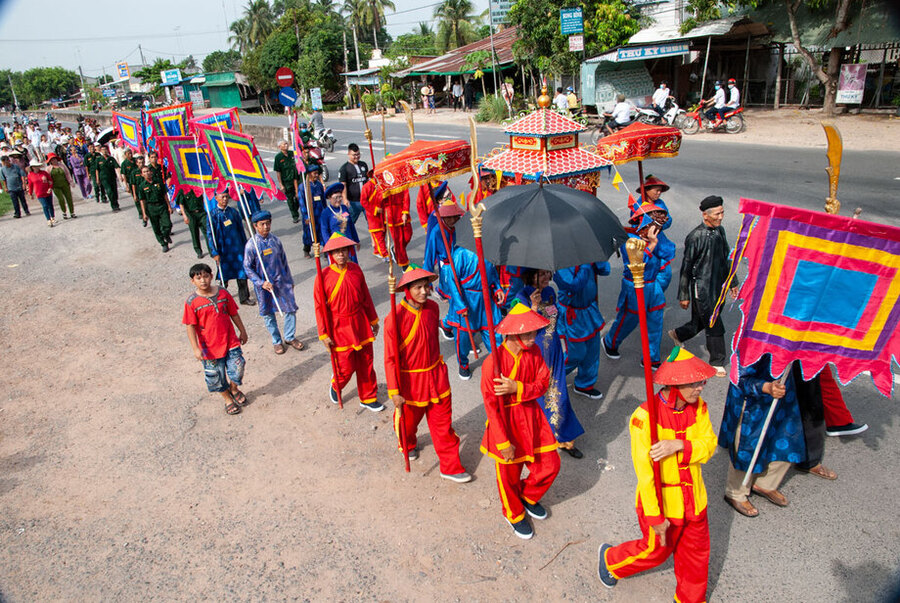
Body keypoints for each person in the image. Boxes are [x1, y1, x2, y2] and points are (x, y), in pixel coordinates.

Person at [598, 347, 718, 603]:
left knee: (696, 554)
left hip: (695, 499)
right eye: (695, 383)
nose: (700, 388)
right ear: (675, 384)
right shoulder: (644, 418)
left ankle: (689, 599)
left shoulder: (700, 408)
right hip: (664, 503)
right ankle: (611, 561)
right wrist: (654, 516)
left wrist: (680, 446)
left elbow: (709, 445)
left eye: (701, 382)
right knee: (656, 551)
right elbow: (644, 473)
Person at [480, 303, 561, 540]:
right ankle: (513, 513)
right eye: (527, 332)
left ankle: (527, 496)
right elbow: (491, 407)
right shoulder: (492, 364)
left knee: (550, 464)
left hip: (532, 416)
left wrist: (518, 387)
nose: (533, 337)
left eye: (534, 332)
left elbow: (543, 384)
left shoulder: (534, 352)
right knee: (508, 476)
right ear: (513, 333)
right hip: (506, 422)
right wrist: (503, 442)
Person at [385, 266, 471, 482]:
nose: (424, 291)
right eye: (418, 287)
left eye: (426, 286)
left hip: (436, 375)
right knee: (409, 423)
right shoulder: (394, 318)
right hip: (410, 381)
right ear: (406, 289)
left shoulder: (433, 308)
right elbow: (390, 358)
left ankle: (450, 466)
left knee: (443, 424)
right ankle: (408, 443)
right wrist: (394, 391)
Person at [719, 356, 806, 517]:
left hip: (783, 390)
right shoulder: (755, 335)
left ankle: (765, 482)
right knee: (746, 444)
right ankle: (735, 492)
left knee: (786, 438)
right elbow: (740, 378)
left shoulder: (799, 334)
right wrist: (766, 387)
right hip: (752, 398)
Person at [516, 269, 585, 458]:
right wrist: (534, 306)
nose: (548, 278)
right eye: (543, 275)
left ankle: (565, 438)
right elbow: (522, 327)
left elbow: (554, 319)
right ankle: (538, 437)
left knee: (559, 394)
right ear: (531, 276)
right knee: (537, 396)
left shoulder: (550, 292)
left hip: (553, 348)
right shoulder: (521, 296)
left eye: (548, 274)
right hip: (535, 353)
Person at [314, 233, 383, 412]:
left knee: (366, 361)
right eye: (336, 251)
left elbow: (366, 297)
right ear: (331, 254)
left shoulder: (356, 269)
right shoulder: (323, 276)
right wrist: (323, 334)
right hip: (339, 326)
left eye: (343, 250)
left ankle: (368, 397)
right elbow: (320, 307)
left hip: (360, 321)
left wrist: (373, 320)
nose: (341, 254)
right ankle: (337, 384)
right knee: (346, 365)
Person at [670, 195, 738, 376]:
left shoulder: (720, 231)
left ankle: (678, 334)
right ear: (705, 215)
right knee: (713, 321)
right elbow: (686, 267)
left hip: (718, 285)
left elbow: (727, 258)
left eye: (722, 213)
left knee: (700, 321)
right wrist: (683, 294)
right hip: (701, 288)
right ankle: (717, 361)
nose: (721, 217)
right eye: (717, 214)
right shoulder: (695, 236)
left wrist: (733, 281)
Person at [182, 263, 250, 416]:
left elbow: (234, 313)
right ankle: (227, 399)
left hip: (230, 341)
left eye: (206, 276)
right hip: (209, 348)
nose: (203, 281)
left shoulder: (223, 293)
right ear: (192, 281)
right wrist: (195, 348)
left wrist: (243, 331)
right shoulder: (192, 302)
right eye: (198, 278)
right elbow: (190, 326)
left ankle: (234, 388)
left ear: (212, 276)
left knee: (238, 368)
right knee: (215, 376)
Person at [243, 210, 304, 355]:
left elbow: (284, 261)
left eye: (268, 223)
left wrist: (289, 279)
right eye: (262, 224)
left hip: (281, 282)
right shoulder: (252, 245)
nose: (265, 227)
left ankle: (289, 336)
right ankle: (276, 341)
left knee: (290, 308)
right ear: (255, 226)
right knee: (268, 313)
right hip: (265, 287)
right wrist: (260, 282)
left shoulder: (276, 241)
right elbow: (247, 267)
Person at [443, 245, 503, 380]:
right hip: (467, 299)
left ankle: (499, 362)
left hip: (487, 300)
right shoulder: (461, 253)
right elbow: (452, 281)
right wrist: (460, 305)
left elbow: (493, 275)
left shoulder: (490, 250)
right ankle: (463, 364)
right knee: (463, 337)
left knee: (494, 333)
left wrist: (497, 289)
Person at [554, 262, 611, 399]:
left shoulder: (585, 256)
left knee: (592, 350)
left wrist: (597, 260)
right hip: (573, 315)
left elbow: (605, 270)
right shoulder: (563, 261)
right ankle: (550, 377)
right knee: (576, 354)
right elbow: (573, 286)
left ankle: (584, 384)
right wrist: (586, 265)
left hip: (589, 310)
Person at [207, 191, 255, 306]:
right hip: (223, 250)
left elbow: (241, 231)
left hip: (237, 248)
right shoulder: (213, 215)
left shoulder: (233, 212)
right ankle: (221, 297)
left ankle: (244, 297)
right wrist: (214, 252)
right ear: (216, 198)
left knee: (242, 273)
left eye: (226, 197)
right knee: (224, 274)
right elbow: (210, 234)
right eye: (222, 197)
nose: (225, 199)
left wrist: (245, 247)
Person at [136, 166, 173, 253]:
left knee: (167, 224)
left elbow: (165, 195)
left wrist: (169, 206)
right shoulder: (142, 186)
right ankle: (163, 244)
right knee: (156, 228)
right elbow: (142, 200)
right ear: (142, 174)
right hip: (151, 208)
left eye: (148, 171)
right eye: (144, 172)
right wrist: (144, 213)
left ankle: (166, 235)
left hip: (162, 205)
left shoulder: (159, 182)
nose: (147, 173)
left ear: (151, 172)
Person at [321, 182, 360, 262]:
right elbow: (324, 231)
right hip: (336, 247)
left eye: (340, 197)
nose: (338, 200)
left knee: (352, 268)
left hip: (348, 243)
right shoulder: (326, 213)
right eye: (336, 198)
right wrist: (330, 246)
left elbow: (351, 225)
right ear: (329, 197)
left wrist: (356, 240)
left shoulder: (344, 208)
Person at [298, 164, 326, 257]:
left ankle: (326, 251)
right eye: (314, 173)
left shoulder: (319, 185)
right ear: (309, 174)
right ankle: (306, 249)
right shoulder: (303, 187)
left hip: (320, 213)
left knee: (323, 232)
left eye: (317, 173)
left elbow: (323, 199)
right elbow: (302, 202)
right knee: (309, 233)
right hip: (310, 214)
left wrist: (326, 211)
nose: (316, 175)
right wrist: (306, 216)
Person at [338, 143, 368, 224]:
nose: (356, 157)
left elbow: (368, 181)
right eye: (354, 155)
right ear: (348, 154)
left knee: (373, 224)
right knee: (347, 223)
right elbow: (343, 185)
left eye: (358, 154)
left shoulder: (363, 165)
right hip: (352, 202)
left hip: (366, 201)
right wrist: (344, 199)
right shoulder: (344, 168)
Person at [358, 179, 387, 260]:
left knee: (383, 233)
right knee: (379, 235)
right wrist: (374, 209)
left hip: (383, 214)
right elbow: (363, 201)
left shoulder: (383, 184)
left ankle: (377, 251)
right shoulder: (367, 186)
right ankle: (384, 254)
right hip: (373, 216)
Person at [273, 140, 301, 224]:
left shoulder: (292, 153)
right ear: (279, 147)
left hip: (296, 179)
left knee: (298, 197)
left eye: (286, 143)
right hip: (286, 181)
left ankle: (295, 209)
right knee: (290, 199)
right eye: (284, 144)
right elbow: (278, 172)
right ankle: (294, 215)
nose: (286, 145)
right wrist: (281, 184)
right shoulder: (278, 157)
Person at [384, 188, 412, 268]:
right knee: (399, 241)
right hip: (391, 214)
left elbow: (406, 195)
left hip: (402, 211)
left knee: (408, 236)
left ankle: (395, 250)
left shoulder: (400, 178)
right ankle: (404, 264)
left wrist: (405, 212)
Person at [178, 189, 210, 259]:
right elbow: (181, 203)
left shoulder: (198, 186)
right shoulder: (183, 189)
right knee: (194, 233)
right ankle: (198, 251)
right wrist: (184, 215)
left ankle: (211, 249)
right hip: (191, 214)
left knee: (207, 231)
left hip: (201, 213)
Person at [25, 159, 55, 227]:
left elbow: (50, 180)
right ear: (32, 167)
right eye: (35, 166)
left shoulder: (44, 173)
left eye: (38, 166)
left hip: (47, 191)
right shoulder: (30, 175)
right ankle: (48, 219)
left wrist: (50, 187)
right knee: (45, 206)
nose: (37, 167)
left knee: (50, 205)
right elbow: (30, 185)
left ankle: (52, 217)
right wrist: (30, 193)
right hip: (39, 193)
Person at [46, 153, 75, 219]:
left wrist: (71, 182)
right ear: (50, 161)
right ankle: (64, 212)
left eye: (55, 159)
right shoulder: (48, 169)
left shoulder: (62, 166)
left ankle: (72, 212)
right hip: (55, 186)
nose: (54, 160)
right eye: (52, 159)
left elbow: (67, 174)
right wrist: (49, 187)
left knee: (69, 198)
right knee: (61, 199)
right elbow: (48, 178)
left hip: (65, 184)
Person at [1, 153, 30, 218]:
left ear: (8, 160)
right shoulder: (2, 169)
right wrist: (6, 187)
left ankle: (26, 210)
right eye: (3, 163)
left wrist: (24, 184)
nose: (5, 164)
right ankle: (17, 213)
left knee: (22, 200)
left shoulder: (15, 166)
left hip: (19, 186)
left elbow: (22, 174)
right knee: (15, 201)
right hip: (11, 187)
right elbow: (4, 179)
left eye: (6, 162)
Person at [95, 144, 121, 212]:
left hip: (112, 177)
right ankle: (114, 206)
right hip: (104, 178)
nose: (104, 151)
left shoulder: (111, 158)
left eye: (105, 150)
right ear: (100, 151)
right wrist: (97, 179)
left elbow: (117, 167)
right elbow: (97, 170)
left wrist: (120, 176)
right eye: (103, 150)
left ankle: (116, 204)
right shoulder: (99, 159)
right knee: (109, 191)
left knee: (114, 191)